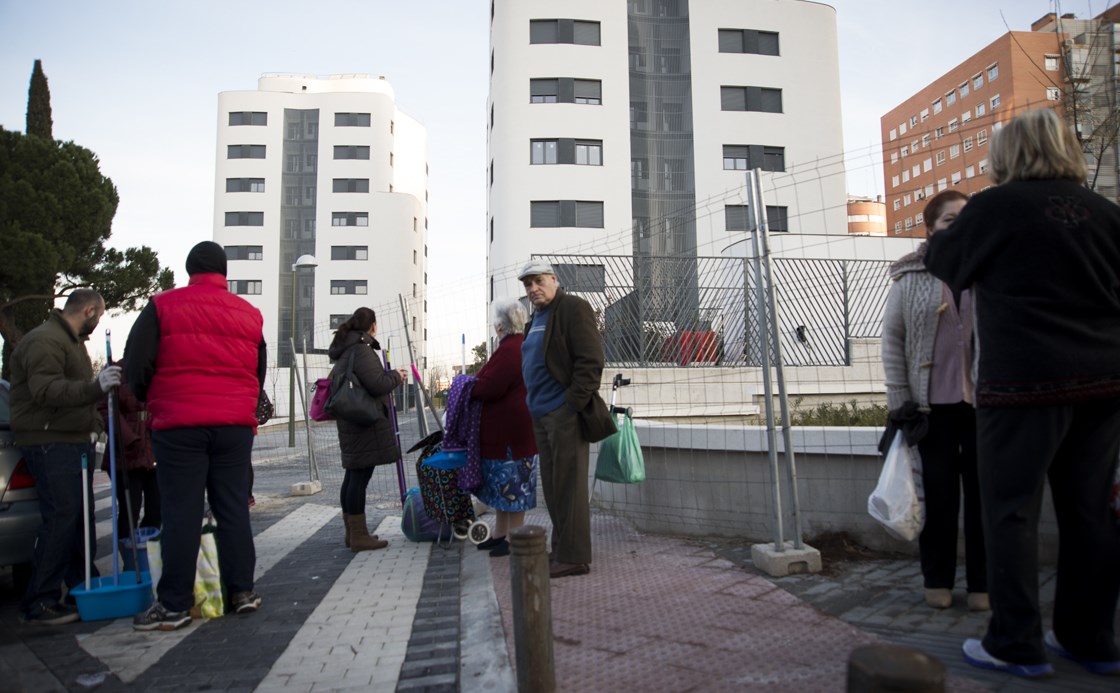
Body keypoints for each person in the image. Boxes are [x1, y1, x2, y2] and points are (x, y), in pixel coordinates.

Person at [926, 109, 1120, 679]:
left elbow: (944, 261)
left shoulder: (997, 207)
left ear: (1007, 154)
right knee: (1091, 514)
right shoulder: (1108, 214)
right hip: (1105, 383)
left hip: (1024, 384)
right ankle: (1090, 637)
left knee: (1011, 510)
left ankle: (1015, 643)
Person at [124, 240, 267, 631]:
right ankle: (242, 592)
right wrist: (241, 404)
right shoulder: (250, 314)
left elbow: (137, 362)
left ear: (189, 268)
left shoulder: (162, 305)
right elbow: (258, 371)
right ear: (225, 273)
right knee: (233, 507)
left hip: (180, 424)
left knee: (181, 512)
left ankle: (173, 603)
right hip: (234, 427)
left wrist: (147, 398)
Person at [881, 189, 987, 612]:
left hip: (983, 405)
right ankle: (937, 582)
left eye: (964, 218)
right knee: (939, 499)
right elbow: (892, 342)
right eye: (948, 220)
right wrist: (899, 401)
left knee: (984, 498)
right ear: (930, 229)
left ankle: (983, 586)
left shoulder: (988, 270)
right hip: (930, 410)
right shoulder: (910, 279)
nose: (957, 227)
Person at [10, 288, 121, 625]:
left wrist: (96, 422)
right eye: (99, 315)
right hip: (50, 441)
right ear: (88, 310)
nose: (98, 321)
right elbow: (47, 390)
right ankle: (40, 600)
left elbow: (73, 391)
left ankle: (80, 586)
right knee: (63, 516)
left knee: (79, 518)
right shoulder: (45, 341)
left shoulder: (69, 342)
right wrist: (95, 388)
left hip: (70, 440)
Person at [518, 260, 615, 578]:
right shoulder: (535, 319)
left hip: (564, 415)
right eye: (527, 284)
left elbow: (591, 362)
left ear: (554, 279)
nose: (533, 289)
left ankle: (574, 557)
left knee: (569, 488)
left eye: (538, 281)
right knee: (554, 487)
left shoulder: (573, 308)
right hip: (541, 415)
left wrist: (570, 405)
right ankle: (560, 550)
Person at [326, 307, 407, 552]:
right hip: (363, 423)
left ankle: (352, 533)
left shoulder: (346, 349)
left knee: (352, 476)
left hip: (351, 421)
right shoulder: (361, 350)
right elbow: (376, 383)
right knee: (359, 478)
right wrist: (396, 376)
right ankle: (359, 536)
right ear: (372, 325)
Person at [470, 298, 538, 557]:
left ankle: (512, 537)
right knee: (503, 488)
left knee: (513, 487)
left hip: (512, 435)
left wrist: (469, 385)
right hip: (510, 432)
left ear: (500, 324)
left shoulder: (511, 350)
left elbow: (488, 386)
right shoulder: (513, 347)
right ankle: (501, 533)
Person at [97, 357, 160, 554]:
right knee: (129, 511)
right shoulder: (116, 371)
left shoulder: (159, 368)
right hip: (126, 454)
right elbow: (105, 409)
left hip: (154, 449)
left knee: (157, 510)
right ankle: (130, 559)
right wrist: (128, 437)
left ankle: (145, 553)